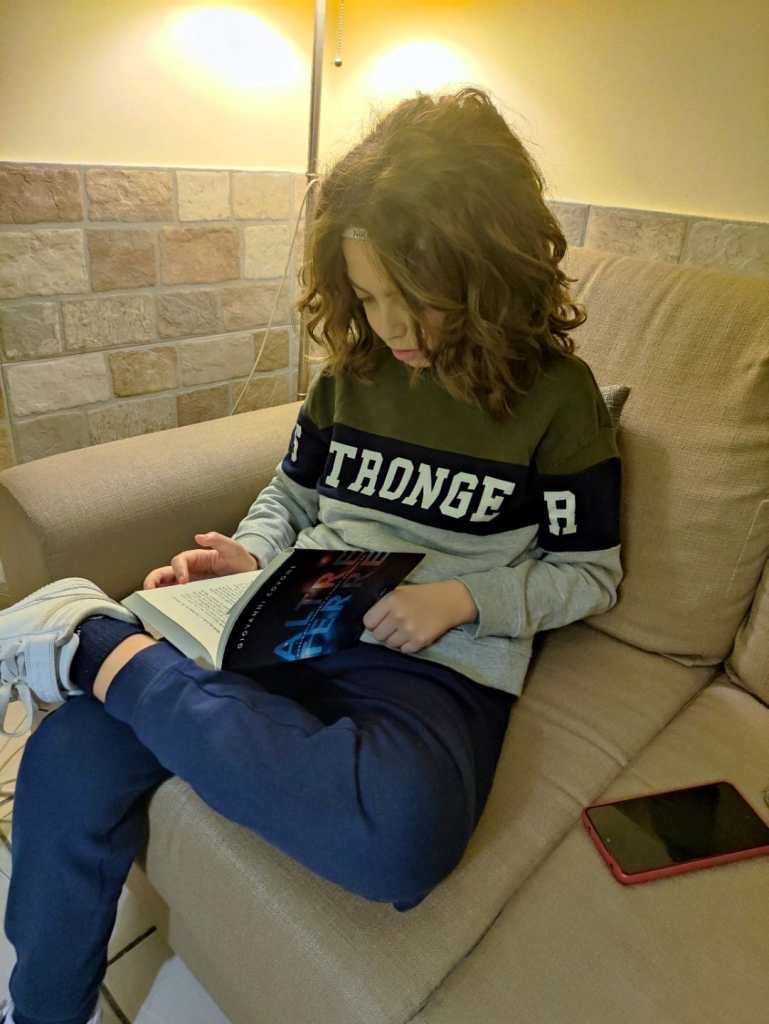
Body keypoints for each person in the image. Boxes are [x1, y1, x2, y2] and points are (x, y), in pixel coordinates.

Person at [0, 85, 623, 1024]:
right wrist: (246, 557)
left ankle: (97, 647)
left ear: (487, 272)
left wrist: (461, 599)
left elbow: (590, 573)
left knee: (397, 845)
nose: (395, 330)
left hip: (431, 665)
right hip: (286, 617)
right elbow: (291, 497)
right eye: (369, 299)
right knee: (70, 756)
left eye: (419, 301)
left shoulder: (558, 398)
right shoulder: (353, 374)